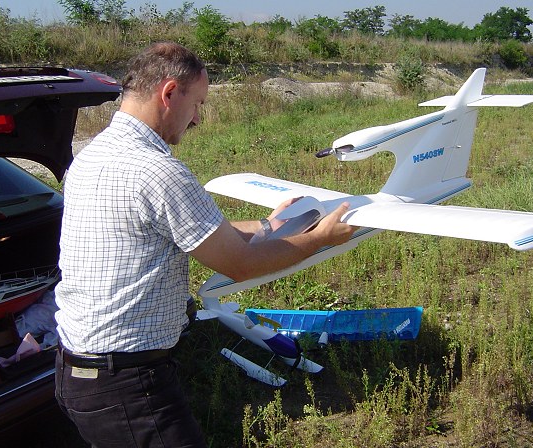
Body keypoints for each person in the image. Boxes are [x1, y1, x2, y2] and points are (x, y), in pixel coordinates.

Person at [54, 41, 356, 448]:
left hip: (78, 373)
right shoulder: (158, 171)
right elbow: (241, 265)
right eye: (197, 103)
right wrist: (319, 239)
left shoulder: (90, 157)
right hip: (126, 384)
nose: (197, 118)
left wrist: (270, 224)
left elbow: (187, 229)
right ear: (169, 93)